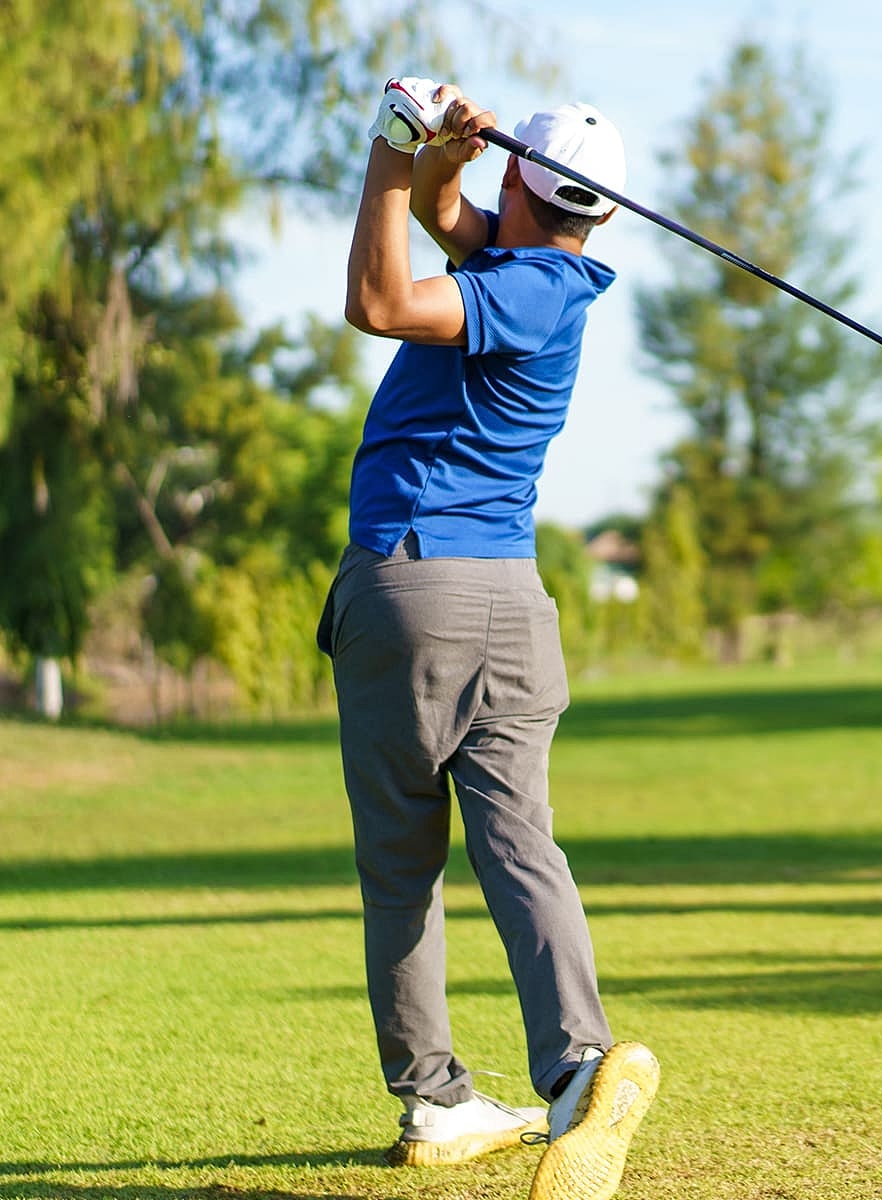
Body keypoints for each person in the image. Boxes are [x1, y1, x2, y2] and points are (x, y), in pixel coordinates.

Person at [317, 77, 658, 1200]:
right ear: (595, 210)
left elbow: (377, 300)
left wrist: (387, 148)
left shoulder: (515, 290)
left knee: (401, 868)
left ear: (525, 181)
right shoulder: (554, 274)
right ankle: (575, 1071)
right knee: (520, 845)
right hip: (511, 603)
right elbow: (445, 221)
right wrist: (444, 161)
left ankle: (434, 1095)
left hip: (416, 585)